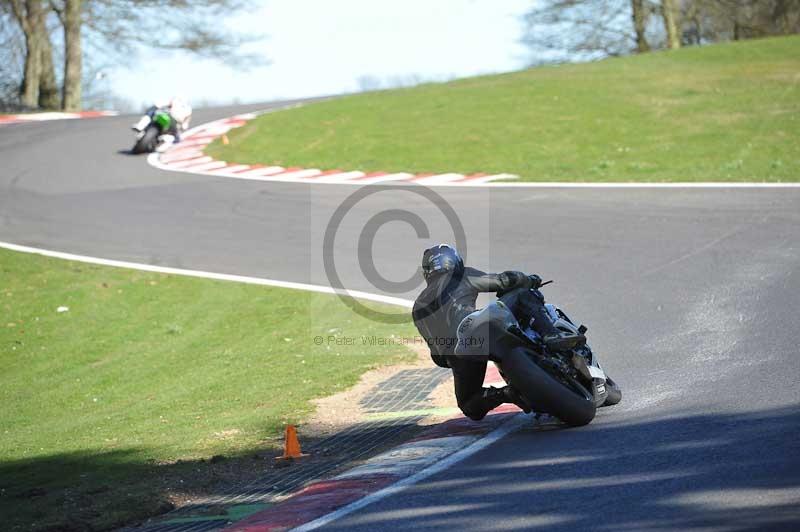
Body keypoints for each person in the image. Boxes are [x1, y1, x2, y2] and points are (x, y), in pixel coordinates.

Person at [412, 244, 585, 421]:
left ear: (428, 271)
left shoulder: (417, 307)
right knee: (521, 293)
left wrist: (457, 361)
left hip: (458, 353)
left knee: (469, 405)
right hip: (476, 326)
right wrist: (529, 280)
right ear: (454, 261)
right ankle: (550, 333)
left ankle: (507, 394)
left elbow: (438, 356)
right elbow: (503, 280)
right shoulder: (459, 275)